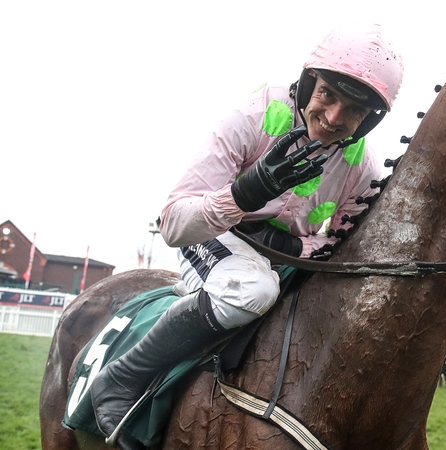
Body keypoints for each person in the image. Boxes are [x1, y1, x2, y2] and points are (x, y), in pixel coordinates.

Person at [89, 24, 404, 446]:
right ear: (310, 82)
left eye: (353, 111)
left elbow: (344, 243)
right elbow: (173, 224)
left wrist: (297, 246)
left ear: (369, 120)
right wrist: (245, 192)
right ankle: (121, 377)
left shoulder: (361, 167)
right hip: (212, 237)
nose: (333, 119)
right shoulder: (251, 117)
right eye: (328, 95)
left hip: (284, 261)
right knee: (251, 289)